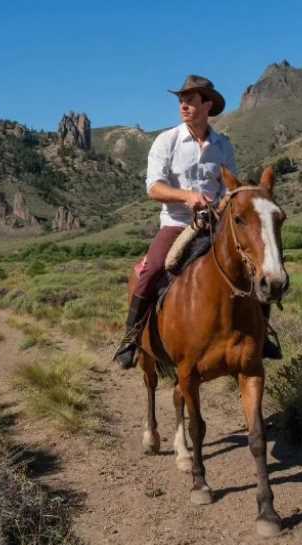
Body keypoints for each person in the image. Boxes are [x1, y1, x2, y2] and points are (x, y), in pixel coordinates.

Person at [113, 75, 282, 369]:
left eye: (190, 100)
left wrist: (224, 203)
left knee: (256, 264)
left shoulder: (222, 145)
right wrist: (187, 197)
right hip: (177, 224)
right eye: (181, 100)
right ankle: (132, 337)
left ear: (207, 104)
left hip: (217, 225)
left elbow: (230, 188)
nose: (183, 105)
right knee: (152, 269)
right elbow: (154, 188)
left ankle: (262, 334)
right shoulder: (167, 141)